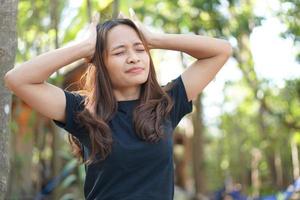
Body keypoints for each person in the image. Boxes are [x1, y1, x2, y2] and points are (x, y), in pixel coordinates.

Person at [4, 9, 232, 200]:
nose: (133, 57)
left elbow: (221, 50)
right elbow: (17, 79)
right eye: (119, 52)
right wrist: (84, 48)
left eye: (140, 49)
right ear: (100, 62)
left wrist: (154, 39)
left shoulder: (167, 103)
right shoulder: (83, 110)